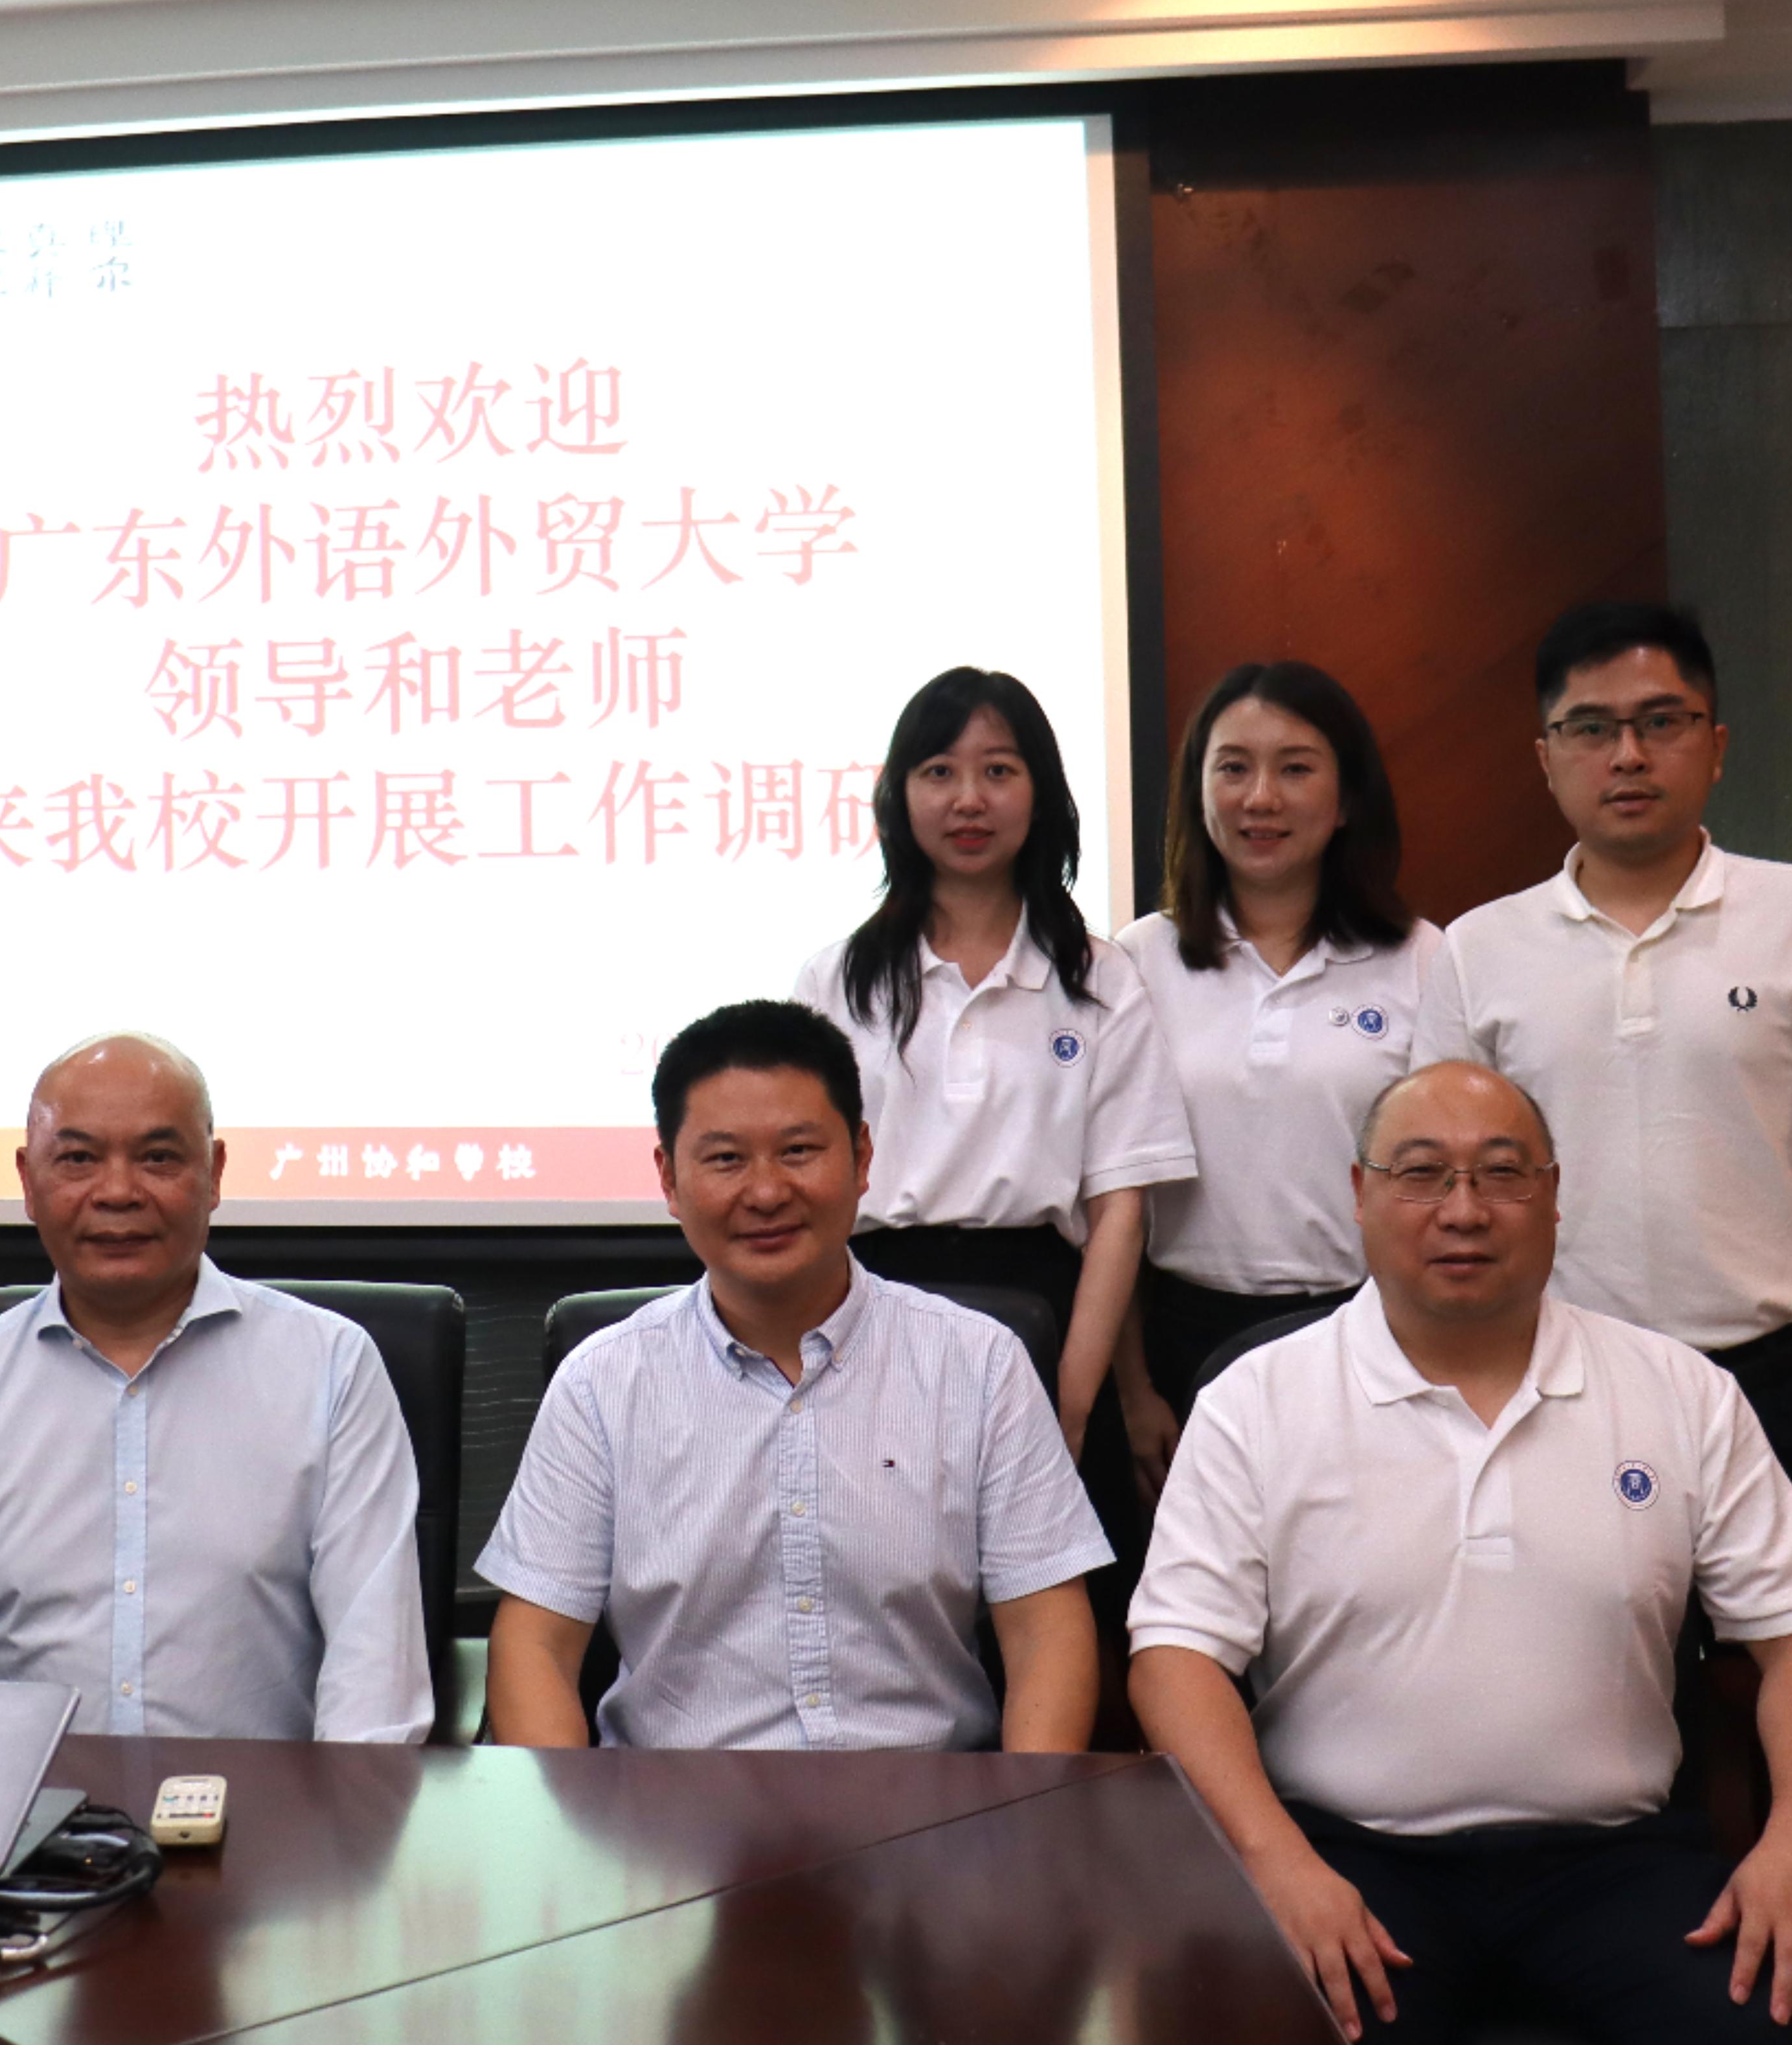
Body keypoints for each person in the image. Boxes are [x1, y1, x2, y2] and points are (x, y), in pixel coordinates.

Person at [1129, 1060, 1792, 2045]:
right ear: (1361, 1194)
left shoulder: (1676, 1391)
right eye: (1422, 1174)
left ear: (1555, 1195)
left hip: (1614, 1859)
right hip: (1351, 1855)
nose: (1464, 1210)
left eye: (1501, 1174)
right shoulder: (1260, 1401)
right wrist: (1273, 1860)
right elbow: (1176, 1658)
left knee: (1749, 2039)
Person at [1426, 601, 1792, 1624]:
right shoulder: (1477, 950)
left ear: (1717, 746)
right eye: (1591, 728)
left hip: (1781, 1382)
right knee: (1582, 1694)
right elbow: (1442, 1191)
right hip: (1561, 1384)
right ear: (1546, 758)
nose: (1628, 755)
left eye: (1662, 722)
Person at [482, 999, 1111, 1752]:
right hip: (671, 1806)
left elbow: (1046, 1630)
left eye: (799, 1150)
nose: (766, 1191)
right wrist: (569, 1817)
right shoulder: (601, 1384)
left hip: (930, 1801)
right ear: (669, 1179)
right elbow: (535, 1644)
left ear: (862, 1157)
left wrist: (1023, 1811)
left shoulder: (979, 1364)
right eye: (725, 1159)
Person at [0, 1034, 431, 1742]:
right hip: (29, 1803)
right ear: (28, 1180)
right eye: (78, 1159)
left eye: (158, 1158)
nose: (117, 1193)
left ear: (215, 1173)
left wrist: (334, 1816)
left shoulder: (331, 1368)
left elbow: (374, 1690)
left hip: (265, 1802)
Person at [789, 667, 1196, 1466]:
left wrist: (1071, 1401)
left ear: (1041, 794)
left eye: (999, 771)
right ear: (899, 795)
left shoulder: (1100, 978)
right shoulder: (836, 980)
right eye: (939, 771)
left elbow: (1119, 1210)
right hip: (868, 1307)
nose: (969, 799)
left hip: (1046, 1309)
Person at [1114, 662, 1458, 1452]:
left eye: (1296, 769)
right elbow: (1115, 1197)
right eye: (1233, 768)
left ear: (1347, 798)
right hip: (1181, 1332)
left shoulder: (1420, 957)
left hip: (1368, 1329)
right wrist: (1133, 1391)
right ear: (1198, 791)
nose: (1260, 797)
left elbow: (1442, 1176)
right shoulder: (1139, 959)